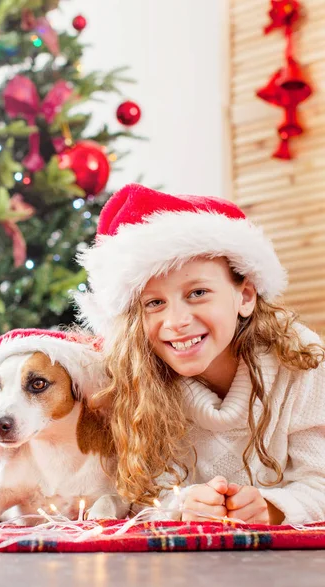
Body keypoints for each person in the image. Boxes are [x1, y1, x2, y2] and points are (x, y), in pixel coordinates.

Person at [76, 183, 325, 525]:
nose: (176, 322)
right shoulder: (140, 381)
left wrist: (271, 507)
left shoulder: (301, 363)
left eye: (197, 293)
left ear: (246, 296)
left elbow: (320, 481)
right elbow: (139, 491)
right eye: (155, 303)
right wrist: (183, 503)